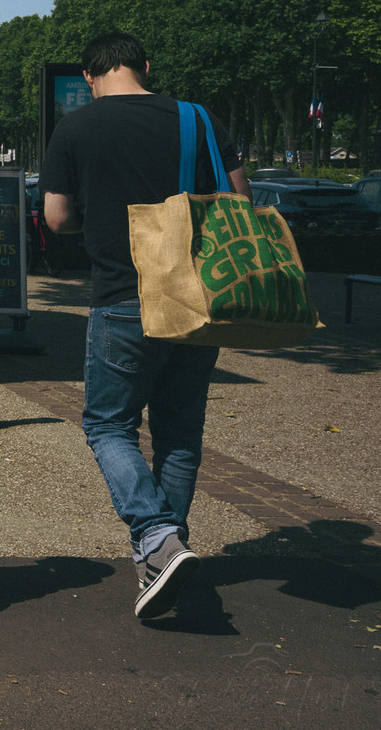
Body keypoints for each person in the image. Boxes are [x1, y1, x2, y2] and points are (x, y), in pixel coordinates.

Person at [40, 31, 248, 620]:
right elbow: (239, 198)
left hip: (122, 296)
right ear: (146, 66)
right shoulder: (197, 119)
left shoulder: (75, 128)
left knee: (109, 425)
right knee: (178, 433)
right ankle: (162, 558)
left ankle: (157, 538)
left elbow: (57, 217)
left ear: (89, 77)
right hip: (197, 298)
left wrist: (104, 219)